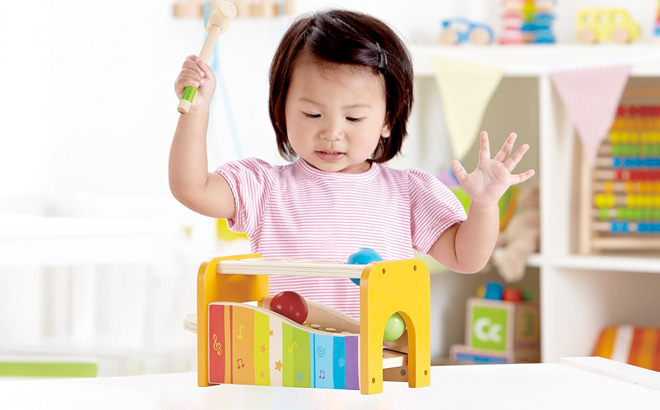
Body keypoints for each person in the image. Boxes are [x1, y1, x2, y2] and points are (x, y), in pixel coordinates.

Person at [169, 9, 535, 318]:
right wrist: (197, 110)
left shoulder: (408, 192)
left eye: (354, 119)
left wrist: (485, 206)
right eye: (312, 114)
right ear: (282, 110)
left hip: (377, 364)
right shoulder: (264, 186)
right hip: (286, 364)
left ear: (388, 120)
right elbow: (192, 188)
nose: (331, 132)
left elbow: (466, 257)